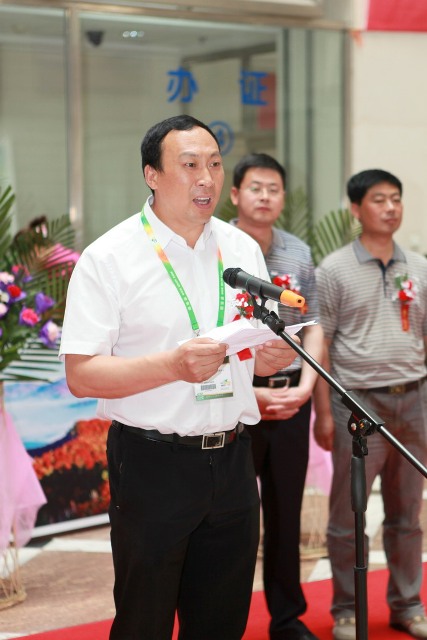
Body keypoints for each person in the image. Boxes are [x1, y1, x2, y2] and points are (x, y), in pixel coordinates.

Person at [58, 115, 299, 640]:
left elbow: (249, 355)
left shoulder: (241, 249)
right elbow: (81, 374)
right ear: (152, 174)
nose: (206, 179)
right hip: (153, 463)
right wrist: (173, 365)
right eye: (189, 165)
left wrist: (269, 356)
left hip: (234, 458)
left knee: (221, 621)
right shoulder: (110, 257)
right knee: (144, 620)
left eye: (214, 164)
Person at [314, 169, 427, 640]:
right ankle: (346, 609)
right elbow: (320, 344)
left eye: (396, 198)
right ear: (356, 209)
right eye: (379, 199)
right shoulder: (333, 269)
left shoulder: (419, 266)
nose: (390, 207)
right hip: (356, 405)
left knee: (408, 515)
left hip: (414, 399)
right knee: (348, 516)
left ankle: (408, 605)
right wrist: (324, 412)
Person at [230, 152, 324, 640]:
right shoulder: (217, 248)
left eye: (273, 189)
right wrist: (249, 393)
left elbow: (314, 324)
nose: (265, 197)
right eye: (255, 187)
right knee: (232, 517)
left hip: (290, 399)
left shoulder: (298, 252)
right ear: (234, 195)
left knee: (286, 514)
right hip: (234, 402)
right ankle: (224, 621)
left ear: (283, 197)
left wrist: (306, 387)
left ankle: (287, 619)